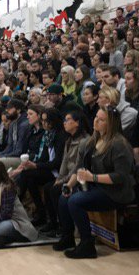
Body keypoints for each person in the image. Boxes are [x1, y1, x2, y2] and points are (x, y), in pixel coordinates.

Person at [54, 107, 136, 259]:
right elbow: (80, 168)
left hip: (116, 192)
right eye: (96, 117)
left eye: (101, 119)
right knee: (64, 197)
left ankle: (87, 245)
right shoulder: (93, 140)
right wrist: (69, 185)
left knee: (76, 201)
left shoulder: (119, 144)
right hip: (98, 187)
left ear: (111, 124)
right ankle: (67, 238)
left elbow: (121, 177)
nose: (96, 121)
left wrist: (93, 178)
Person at [12, 107, 65, 226]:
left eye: (46, 121)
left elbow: (57, 162)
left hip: (58, 171)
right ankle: (40, 215)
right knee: (30, 179)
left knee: (27, 175)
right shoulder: (48, 134)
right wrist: (31, 165)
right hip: (49, 168)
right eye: (43, 120)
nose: (43, 123)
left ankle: (14, 203)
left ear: (53, 121)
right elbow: (44, 157)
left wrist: (35, 165)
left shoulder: (60, 136)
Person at [40, 110, 90, 236]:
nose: (64, 123)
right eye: (64, 120)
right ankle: (54, 223)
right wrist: (60, 178)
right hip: (67, 177)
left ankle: (64, 227)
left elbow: (78, 166)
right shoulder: (69, 139)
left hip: (79, 179)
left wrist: (63, 181)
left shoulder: (84, 141)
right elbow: (64, 162)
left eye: (68, 120)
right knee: (48, 187)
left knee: (55, 190)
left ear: (77, 123)